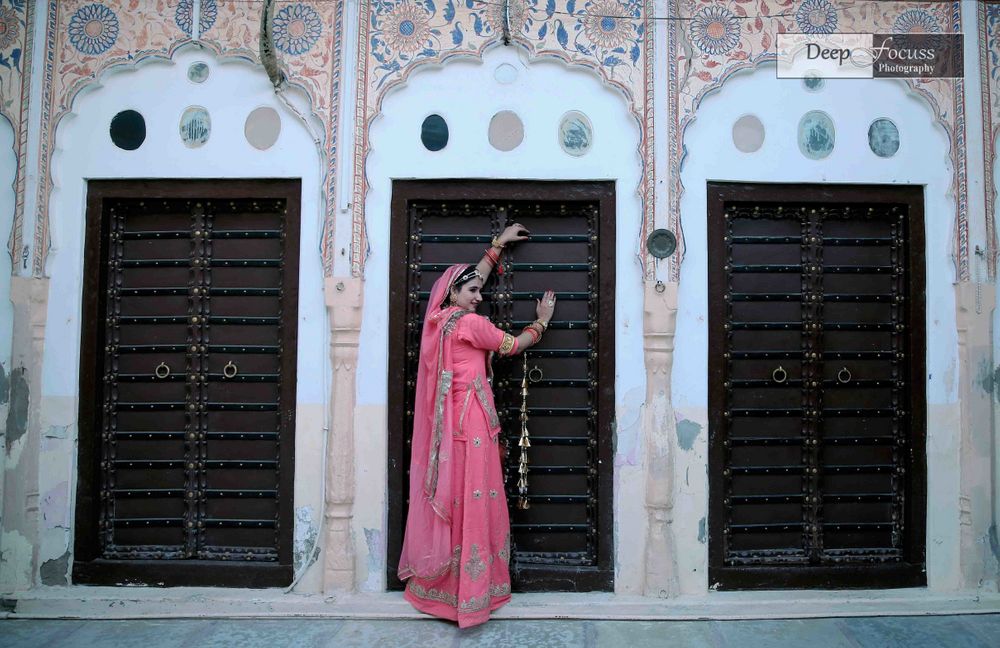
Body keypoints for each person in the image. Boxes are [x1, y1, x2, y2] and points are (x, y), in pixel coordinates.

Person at [398, 223, 556, 628]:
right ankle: (471, 594)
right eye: (473, 293)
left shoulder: (439, 320)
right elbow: (513, 345)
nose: (479, 296)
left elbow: (469, 280)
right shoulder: (471, 324)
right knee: (474, 498)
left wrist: (496, 248)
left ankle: (443, 590)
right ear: (455, 293)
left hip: (451, 426)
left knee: (454, 499)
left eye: (478, 291)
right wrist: (541, 322)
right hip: (473, 422)